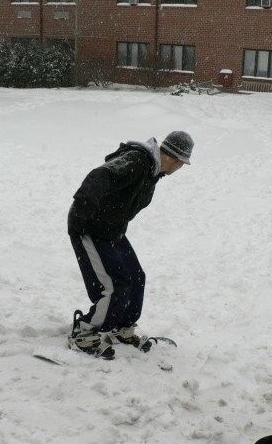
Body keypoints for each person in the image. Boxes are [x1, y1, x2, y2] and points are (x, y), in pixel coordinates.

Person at [67, 131, 194, 359]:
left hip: (112, 231)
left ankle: (122, 327)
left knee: (136, 278)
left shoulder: (153, 172)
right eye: (182, 163)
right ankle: (85, 333)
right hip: (89, 226)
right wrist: (83, 214)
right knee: (116, 284)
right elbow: (99, 175)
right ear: (174, 158)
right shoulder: (137, 160)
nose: (181, 167)